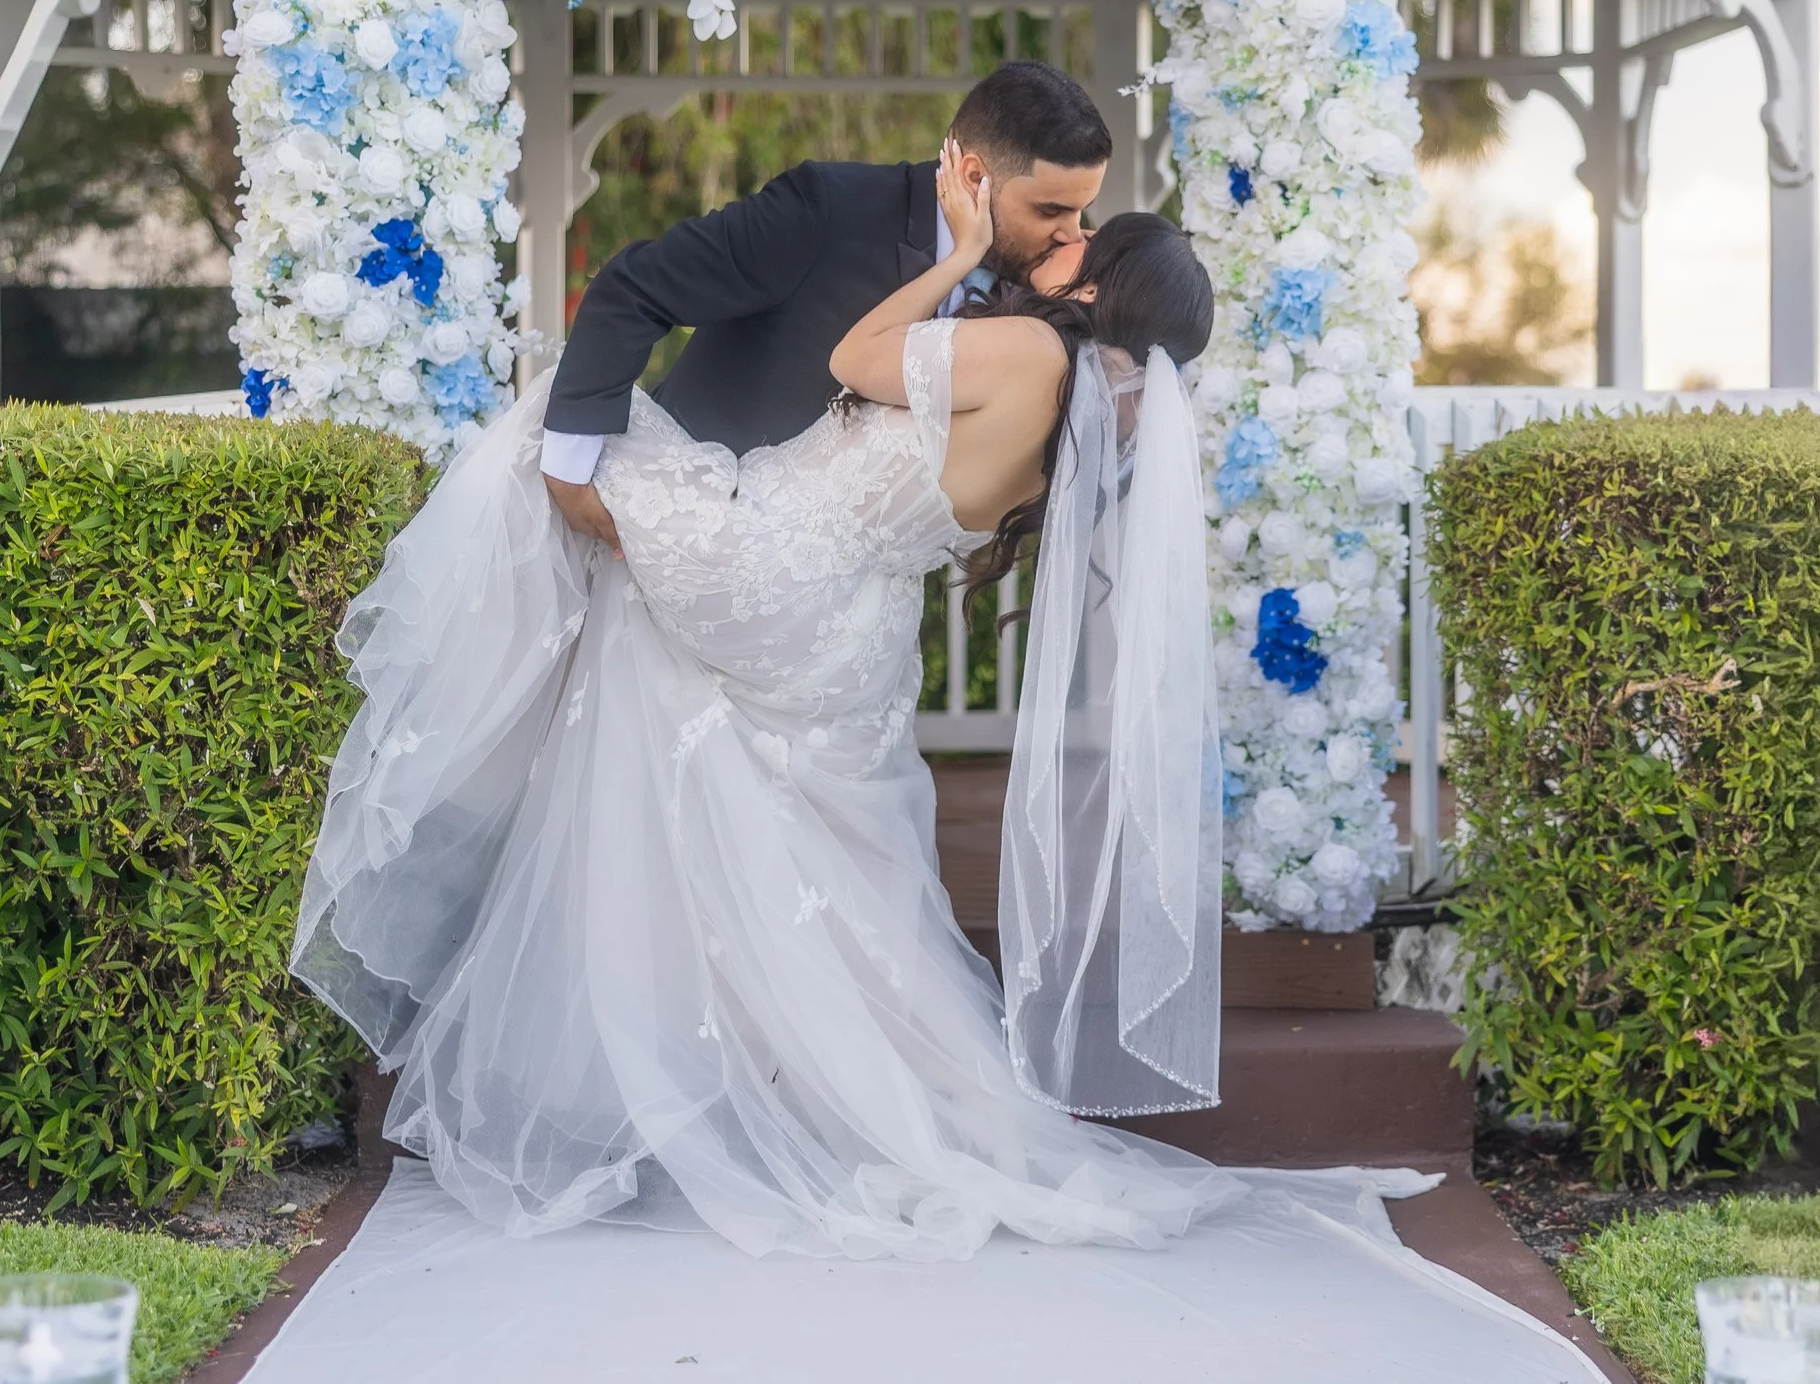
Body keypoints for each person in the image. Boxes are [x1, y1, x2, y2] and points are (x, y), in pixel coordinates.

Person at [289, 129, 1241, 1259]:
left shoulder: (1031, 356)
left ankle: (427, 765)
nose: (1068, 237)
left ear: (1098, 286)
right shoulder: (1076, 414)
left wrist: (955, 257)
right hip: (851, 628)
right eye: (1066, 218)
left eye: (1089, 237)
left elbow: (855, 355)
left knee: (557, 424)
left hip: (773, 565)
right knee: (777, 845)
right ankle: (736, 1077)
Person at [535, 59, 1115, 557]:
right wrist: (568, 464)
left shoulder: (1037, 298)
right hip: (687, 552)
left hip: (836, 628)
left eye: (1081, 211)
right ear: (974, 177)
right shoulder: (828, 212)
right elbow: (636, 287)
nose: (1072, 234)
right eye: (1051, 211)